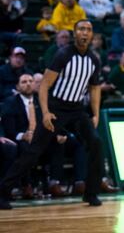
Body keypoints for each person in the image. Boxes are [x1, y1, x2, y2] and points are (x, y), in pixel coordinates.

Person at [0, 20, 105, 209]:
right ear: (75, 33)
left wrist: (95, 114)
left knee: (96, 143)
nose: (85, 32)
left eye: (88, 30)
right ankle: (3, 192)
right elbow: (45, 85)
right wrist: (46, 112)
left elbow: (95, 88)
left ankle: (91, 193)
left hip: (77, 110)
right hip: (56, 108)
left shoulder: (94, 60)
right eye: (81, 29)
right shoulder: (64, 54)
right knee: (33, 151)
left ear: (91, 35)